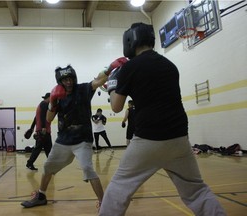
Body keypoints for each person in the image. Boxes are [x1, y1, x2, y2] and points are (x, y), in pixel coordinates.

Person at [99, 22, 226, 215]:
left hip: (148, 139)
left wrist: (112, 84)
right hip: (179, 138)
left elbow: (116, 107)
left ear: (130, 41)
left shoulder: (130, 67)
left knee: (119, 188)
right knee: (196, 190)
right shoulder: (169, 65)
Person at [21, 60, 127, 209]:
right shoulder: (58, 95)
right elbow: (49, 119)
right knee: (47, 167)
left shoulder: (83, 89)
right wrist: (52, 101)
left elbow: (98, 80)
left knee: (87, 168)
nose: (69, 82)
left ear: (74, 78)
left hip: (82, 140)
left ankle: (104, 203)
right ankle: (41, 196)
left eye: (70, 78)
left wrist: (110, 68)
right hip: (63, 140)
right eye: (65, 80)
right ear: (61, 81)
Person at [26, 93, 52, 171]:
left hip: (41, 130)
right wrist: (44, 127)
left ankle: (30, 163)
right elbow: (43, 116)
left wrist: (31, 128)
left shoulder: (41, 105)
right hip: (43, 131)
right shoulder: (44, 104)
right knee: (43, 149)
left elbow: (35, 118)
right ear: (49, 98)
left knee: (47, 149)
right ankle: (30, 163)